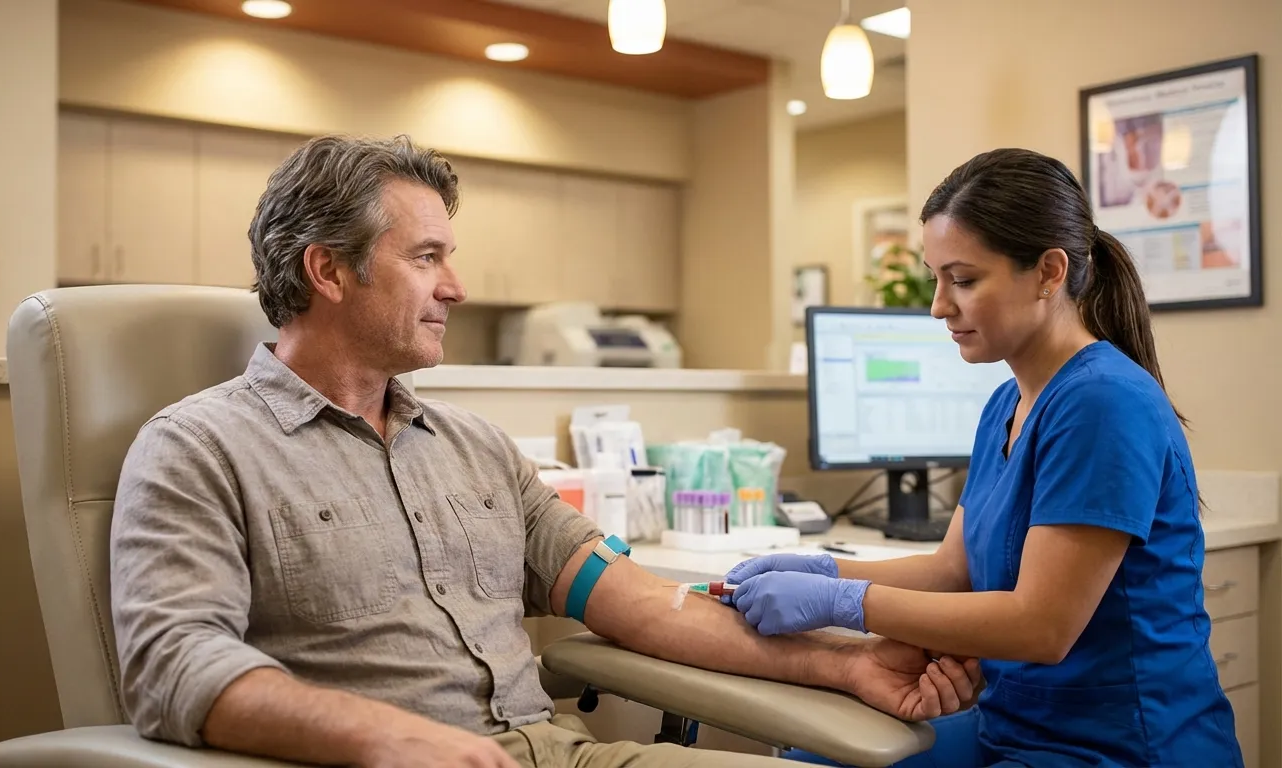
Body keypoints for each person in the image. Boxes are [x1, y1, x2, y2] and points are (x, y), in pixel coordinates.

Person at [109, 134, 981, 768]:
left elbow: (637, 604)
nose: (457, 286)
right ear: (327, 272)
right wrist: (384, 735)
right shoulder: (199, 449)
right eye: (426, 257)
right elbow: (173, 666)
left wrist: (847, 661)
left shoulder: (475, 450)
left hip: (558, 753)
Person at [724, 148, 1242, 768]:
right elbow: (954, 572)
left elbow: (1040, 627)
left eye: (964, 280)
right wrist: (822, 572)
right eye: (936, 278)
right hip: (1013, 726)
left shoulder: (1103, 402)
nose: (940, 305)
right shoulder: (1007, 401)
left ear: (1050, 272)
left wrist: (847, 604)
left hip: (1119, 747)